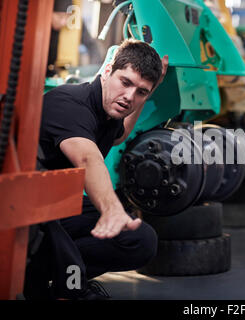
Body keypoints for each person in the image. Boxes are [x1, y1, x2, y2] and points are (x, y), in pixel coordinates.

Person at [24, 39, 168, 299]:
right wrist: (111, 209)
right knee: (48, 221)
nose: (129, 97)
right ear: (107, 70)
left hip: (58, 209)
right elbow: (88, 158)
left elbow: (120, 134)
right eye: (125, 82)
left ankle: (47, 276)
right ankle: (71, 289)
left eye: (141, 92)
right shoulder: (70, 105)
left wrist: (151, 91)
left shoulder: (108, 112)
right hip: (22, 214)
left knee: (141, 240)